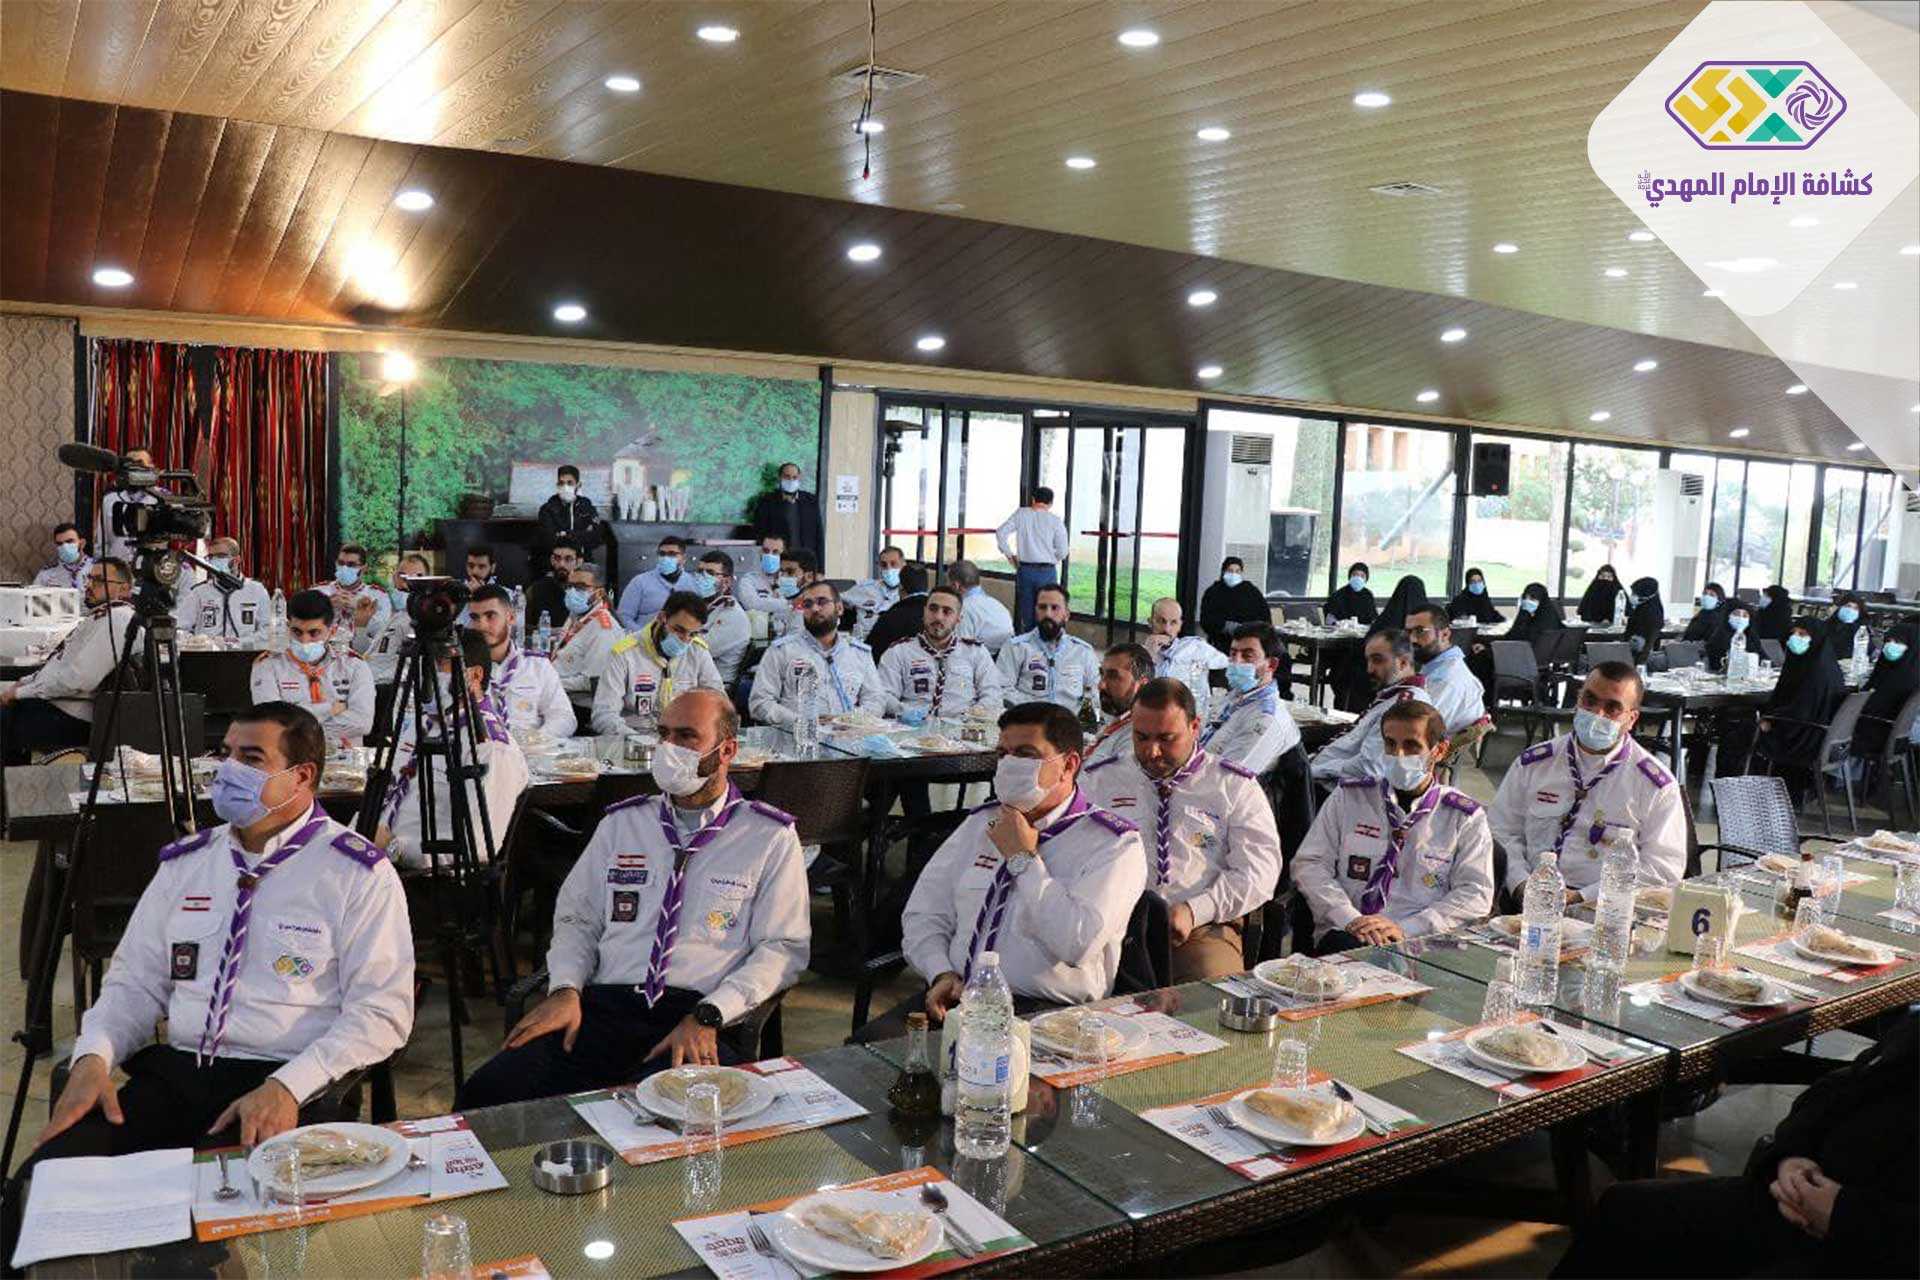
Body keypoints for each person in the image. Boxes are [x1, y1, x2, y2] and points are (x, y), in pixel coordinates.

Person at [18, 704, 412, 1169]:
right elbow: (134, 983)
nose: (228, 770)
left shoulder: (354, 873)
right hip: (180, 1076)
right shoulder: (189, 862)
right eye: (226, 753)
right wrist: (95, 1056)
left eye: (251, 758)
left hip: (286, 1078)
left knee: (216, 1194)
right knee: (51, 1174)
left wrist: (289, 1086)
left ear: (302, 776)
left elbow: (381, 1011)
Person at [457, 690, 809, 1106]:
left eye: (686, 736)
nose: (669, 748)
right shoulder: (623, 824)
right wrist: (565, 988)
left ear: (727, 750)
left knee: (661, 1113)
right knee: (486, 1093)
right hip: (604, 1007)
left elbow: (782, 948)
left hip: (695, 1013)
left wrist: (711, 1014)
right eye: (663, 734)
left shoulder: (767, 836)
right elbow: (577, 919)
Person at [1553, 1010, 1917, 1280]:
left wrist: (1844, 1215)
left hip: (1868, 1248)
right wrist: (1791, 1155)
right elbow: (1840, 1086)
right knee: (1625, 1210)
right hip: (1795, 1203)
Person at [901, 702, 1144, 1022]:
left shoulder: (1114, 844)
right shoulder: (981, 822)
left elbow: (1077, 944)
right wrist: (940, 971)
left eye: (1026, 755)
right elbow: (924, 913)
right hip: (959, 995)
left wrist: (1022, 859)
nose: (1009, 765)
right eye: (1003, 754)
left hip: (1048, 1014)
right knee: (866, 1051)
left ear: (1069, 765)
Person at [1082, 679, 1281, 979]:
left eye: (1167, 738)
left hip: (1201, 927)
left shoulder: (1232, 785)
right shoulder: (1100, 780)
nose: (1152, 751)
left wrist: (1196, 909)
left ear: (1195, 727)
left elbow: (1259, 871)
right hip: (1112, 923)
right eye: (1141, 737)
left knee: (1211, 991)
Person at [1294, 701, 1494, 950]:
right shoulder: (1348, 797)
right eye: (1390, 744)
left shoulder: (1463, 816)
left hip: (1420, 940)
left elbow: (1476, 892)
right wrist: (1349, 917)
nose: (1398, 754)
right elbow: (1310, 863)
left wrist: (1407, 928)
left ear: (1439, 750)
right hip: (1349, 932)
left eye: (1411, 746)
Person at [1490, 662, 1687, 904]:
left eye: (1612, 708)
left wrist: (1584, 897)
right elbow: (1501, 831)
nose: (1597, 714)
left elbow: (1663, 868)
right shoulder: (1534, 763)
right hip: (1525, 899)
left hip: (1606, 907)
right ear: (1578, 699)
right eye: (1590, 700)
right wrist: (1520, 883)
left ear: (1631, 719)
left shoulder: (1653, 784)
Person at [376, 632, 530, 873]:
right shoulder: (422, 725)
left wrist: (394, 849)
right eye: (425, 664)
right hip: (376, 858)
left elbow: (477, 847)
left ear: (474, 676)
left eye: (439, 665)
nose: (426, 674)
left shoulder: (490, 748)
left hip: (426, 878)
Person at [0, 557, 135, 763]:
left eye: (99, 581)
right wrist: (25, 682)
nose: (89, 585)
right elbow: (59, 663)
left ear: (124, 589)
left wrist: (21, 692)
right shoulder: (100, 616)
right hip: (57, 703)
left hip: (71, 715)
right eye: (89, 579)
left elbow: (78, 679)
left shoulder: (117, 621)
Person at [1732, 618, 1847, 800]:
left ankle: (1739, 795)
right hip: (1820, 736)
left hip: (1802, 737)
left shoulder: (1815, 671)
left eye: (1802, 634)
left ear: (1817, 638)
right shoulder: (1822, 663)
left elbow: (1801, 710)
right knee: (1748, 723)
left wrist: (1770, 720)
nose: (1795, 638)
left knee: (1738, 732)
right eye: (1793, 633)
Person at [250, 590, 375, 747]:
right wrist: (329, 709)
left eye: (314, 633)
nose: (304, 640)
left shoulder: (354, 666)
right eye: (297, 632)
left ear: (331, 631)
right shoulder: (268, 665)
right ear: (288, 627)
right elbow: (272, 723)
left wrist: (295, 727)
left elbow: (362, 724)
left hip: (344, 756)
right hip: (291, 756)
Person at [749, 580, 884, 726]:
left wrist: (849, 721)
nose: (815, 608)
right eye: (808, 604)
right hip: (795, 736)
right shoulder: (782, 651)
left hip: (847, 735)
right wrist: (802, 723)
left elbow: (876, 700)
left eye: (822, 602)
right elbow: (760, 703)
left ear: (839, 608)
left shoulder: (858, 653)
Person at [1310, 629, 1436, 785]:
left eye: (1377, 660)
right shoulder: (1393, 695)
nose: (1369, 669)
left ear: (1403, 663)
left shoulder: (1404, 705)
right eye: (1368, 661)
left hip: (1338, 787)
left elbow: (1369, 768)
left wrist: (1314, 770)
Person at [592, 590, 724, 735]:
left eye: (692, 634)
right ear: (662, 618)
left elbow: (718, 701)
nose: (685, 640)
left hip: (682, 737)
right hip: (634, 736)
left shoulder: (697, 651)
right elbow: (604, 715)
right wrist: (639, 741)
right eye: (679, 630)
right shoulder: (625, 653)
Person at [877, 585, 1004, 721]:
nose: (938, 617)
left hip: (962, 727)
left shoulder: (976, 652)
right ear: (924, 612)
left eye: (947, 612)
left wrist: (974, 714)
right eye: (933, 609)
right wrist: (905, 711)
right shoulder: (899, 652)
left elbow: (992, 694)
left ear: (958, 618)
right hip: (912, 727)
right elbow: (884, 694)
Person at [467, 585, 576, 738]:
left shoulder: (537, 665)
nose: (481, 625)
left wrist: (536, 739)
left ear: (511, 618)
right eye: (475, 618)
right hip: (481, 749)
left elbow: (564, 717)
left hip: (530, 748)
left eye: (490, 616)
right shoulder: (462, 667)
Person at [1196, 621, 1300, 775]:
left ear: (1271, 665)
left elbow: (1227, 778)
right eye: (1233, 654)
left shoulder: (1264, 718)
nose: (1236, 662)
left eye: (1247, 656)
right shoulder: (1235, 696)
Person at [995, 584, 1099, 713]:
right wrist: (1035, 710)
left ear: (1066, 615)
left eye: (1055, 608)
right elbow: (1001, 688)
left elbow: (1095, 693)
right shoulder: (1016, 647)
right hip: (1028, 718)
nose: (1048, 614)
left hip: (1069, 720)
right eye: (1042, 607)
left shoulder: (1082, 651)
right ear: (1035, 611)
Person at [995, 487, 1071, 632]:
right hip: (1047, 572)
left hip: (1025, 570)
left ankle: (1030, 642)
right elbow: (1063, 551)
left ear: (1033, 499)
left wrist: (1010, 555)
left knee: (1028, 614)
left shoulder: (1021, 514)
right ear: (1051, 503)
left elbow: (1001, 533)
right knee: (1049, 611)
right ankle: (1047, 639)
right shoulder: (1055, 521)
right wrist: (1051, 558)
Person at [1467, 581, 1563, 691]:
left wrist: (1488, 650)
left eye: (1532, 599)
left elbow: (1517, 642)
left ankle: (1483, 696)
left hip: (1520, 664)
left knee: (1478, 658)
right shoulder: (1549, 618)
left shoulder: (1537, 623)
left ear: (1541, 600)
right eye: (1525, 598)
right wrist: (1485, 642)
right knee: (1481, 651)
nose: (1527, 601)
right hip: (1533, 664)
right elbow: (1512, 638)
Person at [1406, 605, 1486, 734]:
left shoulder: (1445, 681)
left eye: (1420, 631)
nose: (1411, 639)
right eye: (1408, 632)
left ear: (1445, 634)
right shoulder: (1438, 667)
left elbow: (1416, 732)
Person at [179, 536, 273, 642]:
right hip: (209, 650)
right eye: (211, 556)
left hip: (245, 650)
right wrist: (197, 641)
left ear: (236, 560)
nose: (214, 560)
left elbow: (268, 630)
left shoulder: (256, 590)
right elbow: (181, 629)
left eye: (221, 556)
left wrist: (241, 642)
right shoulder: (199, 592)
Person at [549, 562, 621, 692]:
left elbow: (592, 682)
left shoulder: (604, 630)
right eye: (569, 586)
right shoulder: (575, 615)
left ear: (599, 593)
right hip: (557, 687)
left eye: (580, 587)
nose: (572, 591)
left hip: (577, 699)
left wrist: (549, 685)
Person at [1852, 623, 1918, 759]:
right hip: (1900, 737)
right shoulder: (1911, 670)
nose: (1890, 645)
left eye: (1898, 642)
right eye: (1888, 641)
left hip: (1879, 733)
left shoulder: (1900, 679)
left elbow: (1870, 706)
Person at [1085, 642, 1153, 770]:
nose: (1101, 685)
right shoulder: (1116, 722)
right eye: (1102, 674)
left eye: (1113, 677)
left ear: (1141, 686)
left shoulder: (1138, 736)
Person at [313, 543, 391, 651]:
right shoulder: (318, 591)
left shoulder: (378, 596)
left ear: (364, 568)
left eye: (351, 565)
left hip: (361, 652)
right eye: (341, 563)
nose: (344, 568)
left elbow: (381, 633)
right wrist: (326, 606)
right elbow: (302, 622)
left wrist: (359, 612)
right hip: (322, 651)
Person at [94, 445, 165, 564]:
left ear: (151, 467)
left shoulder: (163, 499)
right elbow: (101, 542)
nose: (135, 467)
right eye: (130, 463)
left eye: (140, 463)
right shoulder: (110, 500)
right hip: (118, 568)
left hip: (152, 567)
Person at [366, 552, 428, 683]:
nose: (406, 584)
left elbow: (415, 668)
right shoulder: (393, 614)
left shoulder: (420, 619)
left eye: (415, 578)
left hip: (392, 688)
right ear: (394, 577)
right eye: (402, 576)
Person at [695, 550, 752, 686]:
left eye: (710, 573)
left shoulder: (733, 615)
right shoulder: (708, 608)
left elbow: (698, 651)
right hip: (695, 680)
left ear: (727, 581)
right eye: (699, 572)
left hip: (715, 687)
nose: (702, 577)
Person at [616, 535, 692, 630]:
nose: (666, 558)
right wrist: (643, 634)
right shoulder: (640, 582)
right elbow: (623, 617)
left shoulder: (692, 583)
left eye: (672, 554)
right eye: (662, 554)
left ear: (683, 558)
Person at [1144, 596, 1229, 679]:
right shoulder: (1139, 654)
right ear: (1150, 622)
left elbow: (1228, 664)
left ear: (1180, 626)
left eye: (1173, 622)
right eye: (1161, 621)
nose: (1167, 629)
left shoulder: (1195, 646)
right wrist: (1148, 655)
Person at [865, 563, 932, 663]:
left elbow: (869, 655)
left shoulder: (890, 618)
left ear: (900, 587)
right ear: (927, 587)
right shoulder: (938, 616)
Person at [1199, 557, 1270, 651]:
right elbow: (1206, 619)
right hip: (1221, 643)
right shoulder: (1213, 592)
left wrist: (1251, 630)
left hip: (1249, 641)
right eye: (1230, 570)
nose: (1234, 574)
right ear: (1223, 572)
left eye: (1237, 571)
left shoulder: (1251, 591)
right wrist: (1227, 627)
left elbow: (1264, 616)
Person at [752, 461, 820, 555]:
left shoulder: (810, 501)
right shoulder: (767, 502)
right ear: (780, 477)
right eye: (787, 477)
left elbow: (819, 534)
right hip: (778, 556)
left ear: (799, 478)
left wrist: (820, 563)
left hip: (805, 557)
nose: (791, 480)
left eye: (794, 477)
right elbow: (760, 532)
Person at [950, 558, 1014, 654]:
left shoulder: (964, 609)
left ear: (956, 586)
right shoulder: (997, 604)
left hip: (983, 658)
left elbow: (961, 649)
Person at [841, 545, 907, 639]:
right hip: (863, 642)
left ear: (903, 565)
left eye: (893, 564)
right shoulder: (865, 588)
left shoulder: (909, 593)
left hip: (893, 643)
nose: (888, 569)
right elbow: (836, 598)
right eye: (884, 565)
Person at [525, 535, 582, 638]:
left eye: (568, 559)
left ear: (578, 562)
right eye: (557, 558)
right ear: (552, 560)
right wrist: (547, 631)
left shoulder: (587, 592)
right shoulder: (536, 590)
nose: (562, 564)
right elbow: (522, 627)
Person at [537, 464, 601, 546]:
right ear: (557, 485)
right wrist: (582, 533)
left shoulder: (586, 506)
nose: (565, 487)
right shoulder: (547, 509)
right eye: (561, 483)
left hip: (583, 553)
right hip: (558, 553)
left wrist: (565, 534)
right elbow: (548, 538)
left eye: (570, 483)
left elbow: (596, 535)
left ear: (578, 485)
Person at [764, 548, 819, 640]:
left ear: (809, 577)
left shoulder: (817, 610)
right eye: (781, 572)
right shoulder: (780, 602)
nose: (783, 577)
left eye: (790, 572)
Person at [734, 533, 787, 614]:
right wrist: (787, 604)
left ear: (783, 554)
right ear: (760, 552)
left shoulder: (790, 581)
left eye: (775, 552)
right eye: (766, 551)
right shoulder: (748, 580)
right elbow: (752, 605)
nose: (769, 555)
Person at [31, 522, 93, 590]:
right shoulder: (47, 573)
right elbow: (34, 595)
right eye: (60, 544)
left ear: (82, 543)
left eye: (69, 541)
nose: (64, 546)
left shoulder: (95, 568)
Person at [1623, 576, 1665, 661]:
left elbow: (1649, 640)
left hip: (1641, 655)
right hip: (1635, 652)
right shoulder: (1642, 608)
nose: (1632, 596)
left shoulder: (1651, 612)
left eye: (1635, 593)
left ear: (1645, 594)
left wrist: (1641, 662)